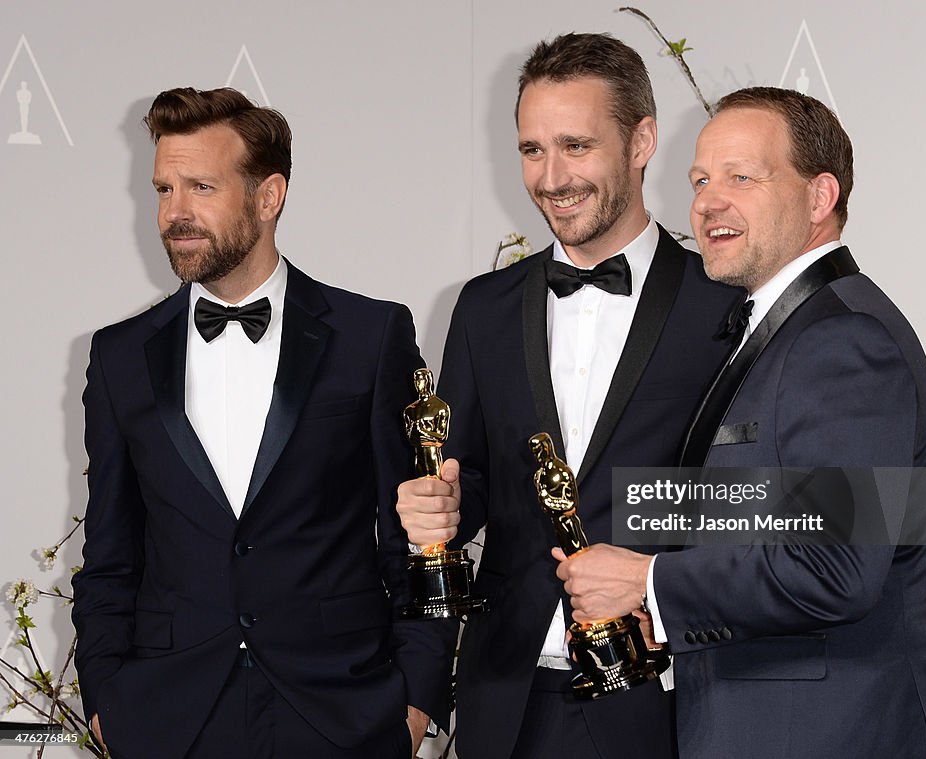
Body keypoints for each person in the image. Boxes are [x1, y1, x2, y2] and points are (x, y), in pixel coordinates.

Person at [554, 87, 926, 757]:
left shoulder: (844, 343)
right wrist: (664, 609)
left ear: (819, 197)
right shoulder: (789, 332)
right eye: (700, 180)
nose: (707, 201)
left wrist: (649, 580)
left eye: (741, 177)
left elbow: (835, 568)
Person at [71, 87, 455, 759]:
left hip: (339, 712)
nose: (174, 213)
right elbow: (109, 555)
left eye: (200, 186)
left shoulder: (370, 337)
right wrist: (107, 703)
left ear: (268, 196)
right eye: (163, 188)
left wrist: (416, 698)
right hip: (168, 719)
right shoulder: (119, 356)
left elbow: (417, 538)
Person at [396, 33, 739, 759]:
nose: (551, 177)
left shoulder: (724, 307)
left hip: (661, 698)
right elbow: (468, 481)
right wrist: (445, 506)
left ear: (642, 140)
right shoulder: (482, 307)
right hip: (505, 697)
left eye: (576, 146)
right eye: (531, 150)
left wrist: (650, 578)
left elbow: (751, 495)